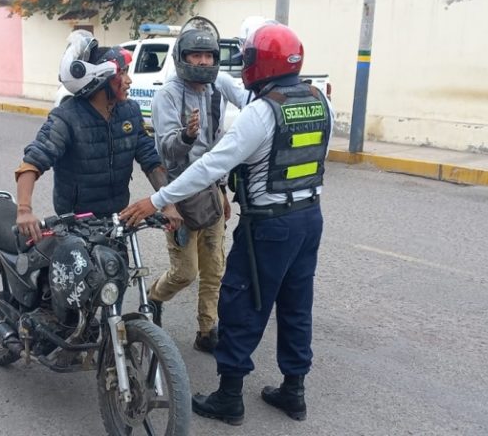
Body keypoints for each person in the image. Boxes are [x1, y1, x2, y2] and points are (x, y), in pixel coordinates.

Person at [120, 21, 333, 425]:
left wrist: (157, 199)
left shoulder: (261, 114)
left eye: (247, 59)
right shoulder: (320, 101)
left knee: (241, 304)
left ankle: (229, 397)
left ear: (260, 65)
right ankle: (294, 390)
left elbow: (213, 164)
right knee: (295, 306)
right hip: (309, 218)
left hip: (270, 225)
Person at [15, 29, 181, 242]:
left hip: (118, 219)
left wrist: (168, 203)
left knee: (119, 273)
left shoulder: (130, 111)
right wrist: (24, 211)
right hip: (76, 223)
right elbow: (32, 163)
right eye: (121, 73)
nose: (129, 80)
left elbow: (151, 161)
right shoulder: (67, 118)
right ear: (101, 80)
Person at [147, 16, 248, 354]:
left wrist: (221, 191)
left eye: (208, 56)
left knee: (214, 269)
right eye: (196, 55)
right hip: (178, 196)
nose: (203, 61)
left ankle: (207, 331)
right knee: (185, 273)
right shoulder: (168, 96)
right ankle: (153, 298)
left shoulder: (215, 90)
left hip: (211, 194)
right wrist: (187, 136)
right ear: (182, 57)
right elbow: (166, 153)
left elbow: (217, 151)